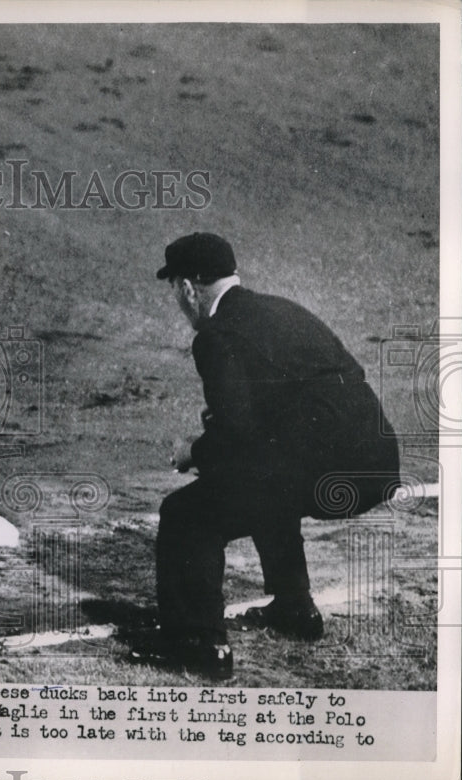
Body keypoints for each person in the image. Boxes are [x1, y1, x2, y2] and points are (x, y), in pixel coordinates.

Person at [134, 232, 401, 679]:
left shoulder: (216, 336)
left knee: (186, 515)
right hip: (378, 464)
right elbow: (296, 407)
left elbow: (238, 435)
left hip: (326, 470)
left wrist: (193, 450)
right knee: (266, 474)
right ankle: (295, 608)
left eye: (175, 289)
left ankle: (198, 645)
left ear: (188, 289)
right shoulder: (283, 310)